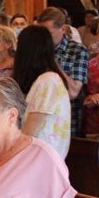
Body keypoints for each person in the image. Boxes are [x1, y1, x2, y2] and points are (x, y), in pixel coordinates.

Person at [14, 25, 71, 158]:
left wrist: (10, 154)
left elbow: (32, 127)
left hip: (42, 158)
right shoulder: (44, 79)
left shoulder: (48, 80)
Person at [38, 7, 89, 137]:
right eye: (41, 34)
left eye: (49, 34)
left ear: (63, 29)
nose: (44, 39)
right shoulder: (36, 49)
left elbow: (73, 92)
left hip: (65, 120)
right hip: (39, 118)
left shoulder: (78, 50)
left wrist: (52, 61)